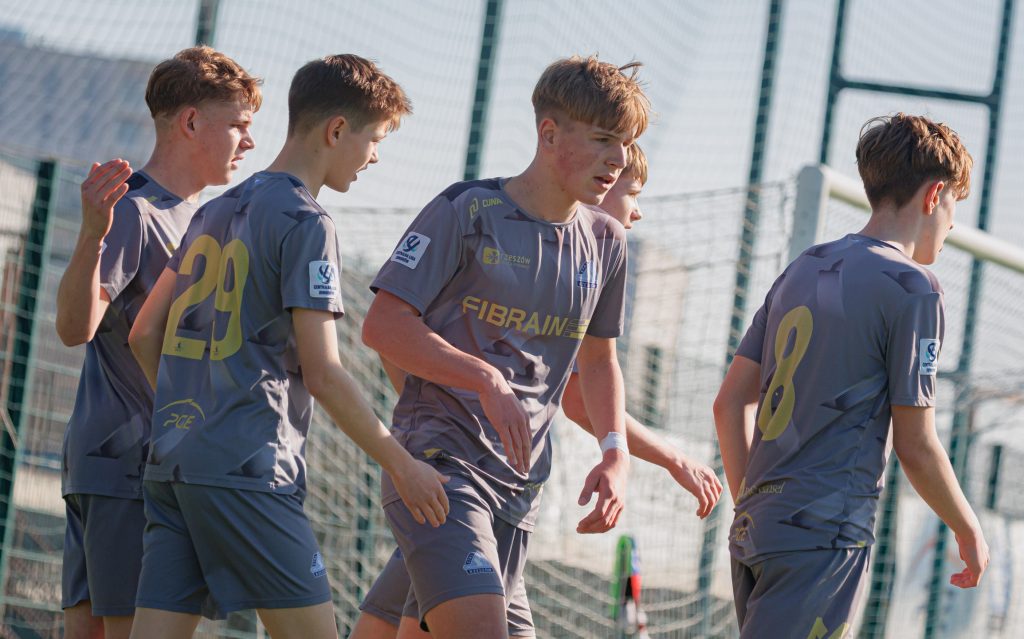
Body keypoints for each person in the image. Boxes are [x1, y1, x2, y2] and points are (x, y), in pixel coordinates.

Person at [126, 54, 449, 639]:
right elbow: (323, 372)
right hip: (250, 470)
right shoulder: (307, 221)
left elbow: (144, 333)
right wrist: (403, 465)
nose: (376, 157)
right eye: (376, 140)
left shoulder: (214, 209)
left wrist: (187, 417)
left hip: (173, 462)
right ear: (337, 131)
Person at [352, 143, 721, 639]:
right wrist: (448, 413)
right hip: (455, 477)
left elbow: (585, 386)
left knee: (390, 622)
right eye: (632, 193)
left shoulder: (592, 261)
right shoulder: (492, 228)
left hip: (503, 496)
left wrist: (631, 454)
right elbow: (391, 334)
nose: (636, 210)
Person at [359, 55, 649, 638]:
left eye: (626, 143)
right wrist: (484, 379)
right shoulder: (466, 210)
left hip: (519, 490)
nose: (618, 159)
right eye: (603, 140)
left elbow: (599, 361)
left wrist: (615, 452)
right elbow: (383, 327)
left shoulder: (606, 242)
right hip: (441, 468)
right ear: (549, 133)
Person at [713, 113, 990, 639]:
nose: (952, 225)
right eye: (955, 205)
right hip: (825, 536)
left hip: (756, 528)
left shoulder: (805, 266)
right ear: (934, 195)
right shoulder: (914, 288)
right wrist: (967, 527)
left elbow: (728, 404)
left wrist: (751, 504)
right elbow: (916, 444)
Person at [55, 46, 260, 639]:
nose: (249, 142)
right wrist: (91, 235)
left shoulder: (199, 219)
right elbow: (74, 329)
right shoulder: (135, 211)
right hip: (128, 467)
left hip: (125, 466)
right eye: (239, 125)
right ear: (191, 122)